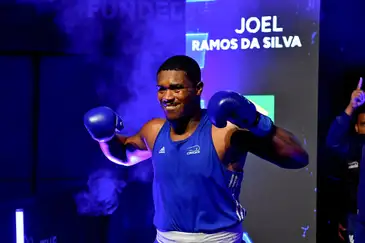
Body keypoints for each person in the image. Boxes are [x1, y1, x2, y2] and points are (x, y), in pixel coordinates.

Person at [84, 55, 309, 243]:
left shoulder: (224, 131)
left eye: (176, 88)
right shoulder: (154, 130)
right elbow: (124, 154)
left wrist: (255, 120)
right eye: (161, 89)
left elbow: (297, 158)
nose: (167, 97)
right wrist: (105, 137)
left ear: (198, 89)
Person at [327, 78, 365, 243]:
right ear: (357, 127)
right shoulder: (353, 148)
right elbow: (332, 141)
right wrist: (352, 106)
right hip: (357, 221)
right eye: (364, 124)